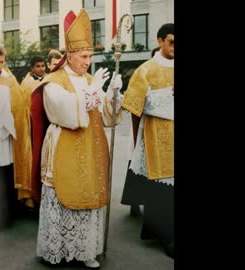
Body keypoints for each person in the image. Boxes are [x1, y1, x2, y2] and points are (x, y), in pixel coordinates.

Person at [31, 9, 123, 269]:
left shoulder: (91, 79)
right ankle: (57, 250)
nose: (87, 61)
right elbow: (62, 112)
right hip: (64, 146)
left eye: (90, 56)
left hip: (90, 146)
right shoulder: (53, 80)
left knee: (88, 195)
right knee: (64, 196)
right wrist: (91, 94)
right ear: (69, 56)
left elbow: (106, 116)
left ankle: (86, 250)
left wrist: (113, 96)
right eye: (83, 56)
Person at [120, 23, 175, 258]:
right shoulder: (146, 70)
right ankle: (167, 236)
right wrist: (166, 94)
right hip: (157, 136)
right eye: (172, 42)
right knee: (162, 189)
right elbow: (136, 104)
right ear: (160, 40)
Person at [0, 45, 33, 234]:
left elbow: (19, 106)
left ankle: (6, 213)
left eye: (1, 62)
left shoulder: (9, 80)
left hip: (4, 132)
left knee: (3, 170)